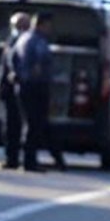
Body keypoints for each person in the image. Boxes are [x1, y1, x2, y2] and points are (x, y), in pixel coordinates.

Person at [12, 12, 66, 172]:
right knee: (34, 125)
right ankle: (30, 162)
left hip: (23, 86)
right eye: (48, 25)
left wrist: (17, 74)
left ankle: (34, 159)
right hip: (35, 87)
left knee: (33, 124)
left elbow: (12, 58)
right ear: (42, 24)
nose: (50, 29)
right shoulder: (37, 42)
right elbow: (39, 64)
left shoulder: (22, 39)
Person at [0, 12, 32, 169]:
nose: (18, 28)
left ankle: (17, 158)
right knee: (10, 126)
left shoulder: (26, 42)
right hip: (9, 88)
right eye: (17, 25)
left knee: (18, 125)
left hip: (21, 89)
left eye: (22, 25)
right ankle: (12, 157)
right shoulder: (12, 40)